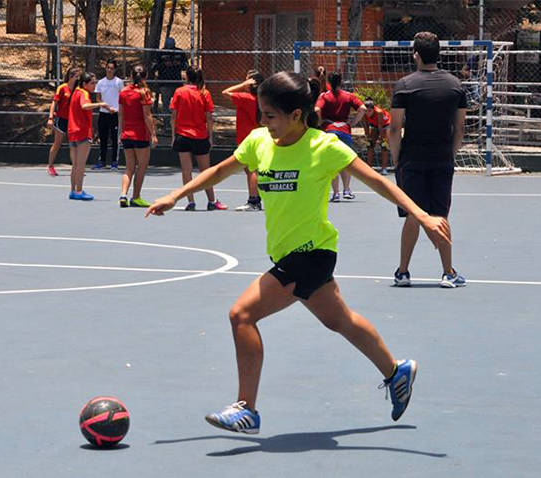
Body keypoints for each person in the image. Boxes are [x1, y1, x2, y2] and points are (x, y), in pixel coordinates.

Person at [146, 71, 451, 434]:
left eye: (270, 115)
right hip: (288, 253)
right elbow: (219, 171)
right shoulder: (259, 141)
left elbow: (378, 181)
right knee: (340, 321)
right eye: (261, 114)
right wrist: (175, 195)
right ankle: (396, 371)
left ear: (296, 115)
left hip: (311, 254)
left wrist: (421, 214)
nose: (264, 122)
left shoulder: (324, 147)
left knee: (241, 315)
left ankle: (247, 409)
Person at [389, 31, 467, 288]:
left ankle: (403, 272)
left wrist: (396, 158)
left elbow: (394, 128)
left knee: (413, 213)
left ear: (416, 55)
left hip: (412, 158)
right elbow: (460, 128)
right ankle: (448, 273)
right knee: (440, 214)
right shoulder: (455, 85)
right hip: (442, 157)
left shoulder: (405, 85)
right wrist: (451, 154)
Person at [170, 66, 226, 211]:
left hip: (182, 136)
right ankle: (211, 201)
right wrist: (210, 137)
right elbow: (209, 117)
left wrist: (173, 136)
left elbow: (173, 116)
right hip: (200, 136)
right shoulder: (204, 93)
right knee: (205, 171)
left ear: (187, 77)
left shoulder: (179, 92)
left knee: (186, 170)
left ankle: (191, 201)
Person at [315, 72, 367, 202]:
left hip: (330, 131)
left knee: (332, 162)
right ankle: (347, 190)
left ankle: (336, 193)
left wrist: (320, 122)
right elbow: (363, 108)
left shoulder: (324, 96)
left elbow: (316, 110)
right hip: (344, 131)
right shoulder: (349, 96)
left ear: (329, 82)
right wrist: (353, 123)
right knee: (346, 161)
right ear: (341, 82)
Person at [67, 72, 116, 201]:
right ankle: (78, 191)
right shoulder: (83, 93)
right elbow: (84, 106)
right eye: (92, 83)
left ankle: (73, 190)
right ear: (84, 84)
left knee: (75, 164)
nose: (95, 85)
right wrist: (101, 104)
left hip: (72, 132)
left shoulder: (75, 92)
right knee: (80, 164)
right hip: (82, 132)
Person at [222, 70, 265, 211]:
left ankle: (254, 201)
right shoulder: (262, 100)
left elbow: (225, 92)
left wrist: (242, 84)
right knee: (253, 170)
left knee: (251, 170)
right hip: (258, 137)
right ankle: (257, 198)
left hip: (247, 138)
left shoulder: (246, 98)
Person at [118, 65, 158, 208]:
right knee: (142, 166)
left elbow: (121, 114)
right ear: (145, 77)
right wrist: (153, 134)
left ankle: (123, 194)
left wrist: (121, 132)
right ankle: (136, 197)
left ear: (131, 76)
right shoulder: (144, 92)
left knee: (129, 167)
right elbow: (147, 115)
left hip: (127, 134)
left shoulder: (123, 92)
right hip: (140, 135)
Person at [46, 67, 81, 177]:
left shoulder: (78, 89)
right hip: (61, 119)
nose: (78, 79)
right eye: (76, 76)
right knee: (58, 142)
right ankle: (50, 166)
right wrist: (51, 117)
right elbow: (54, 102)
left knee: (73, 145)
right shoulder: (62, 88)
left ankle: (76, 168)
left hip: (72, 120)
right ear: (71, 76)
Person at [151, 37, 189, 133]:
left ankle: (179, 124)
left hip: (177, 82)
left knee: (180, 104)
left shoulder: (179, 52)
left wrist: (178, 64)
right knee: (166, 104)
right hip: (165, 82)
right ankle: (167, 125)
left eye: (171, 48)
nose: (170, 50)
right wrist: (164, 64)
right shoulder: (160, 53)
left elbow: (186, 66)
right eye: (168, 47)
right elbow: (153, 67)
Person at [94, 59, 125, 170]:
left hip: (115, 114)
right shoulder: (100, 83)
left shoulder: (119, 82)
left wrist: (117, 110)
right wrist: (107, 107)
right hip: (103, 114)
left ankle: (114, 161)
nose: (109, 70)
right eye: (108, 68)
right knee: (103, 138)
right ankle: (102, 161)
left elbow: (122, 97)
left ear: (115, 70)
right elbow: (98, 99)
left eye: (112, 68)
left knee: (115, 138)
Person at [362, 97, 391, 175]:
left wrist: (383, 139)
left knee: (384, 146)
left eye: (369, 111)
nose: (368, 113)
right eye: (366, 111)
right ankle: (369, 167)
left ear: (373, 109)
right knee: (370, 145)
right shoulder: (363, 112)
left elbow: (380, 127)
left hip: (385, 125)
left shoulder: (379, 112)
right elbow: (365, 126)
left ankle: (384, 168)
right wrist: (367, 137)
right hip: (374, 125)